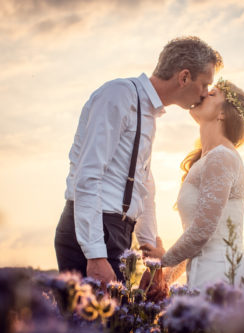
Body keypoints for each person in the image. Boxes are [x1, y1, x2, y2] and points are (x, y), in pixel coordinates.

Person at [54, 36, 223, 287]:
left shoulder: (148, 113)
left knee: (117, 326)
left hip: (115, 232)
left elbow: (143, 186)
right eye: (205, 83)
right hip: (92, 230)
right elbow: (88, 175)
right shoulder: (119, 95)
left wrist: (149, 246)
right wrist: (95, 254)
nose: (206, 93)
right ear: (184, 77)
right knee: (95, 326)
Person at [141, 78, 244, 292]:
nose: (203, 95)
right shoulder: (208, 159)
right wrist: (165, 278)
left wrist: (162, 260)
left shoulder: (222, 157)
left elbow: (203, 230)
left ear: (223, 114)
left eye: (212, 94)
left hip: (222, 274)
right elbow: (197, 239)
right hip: (205, 272)